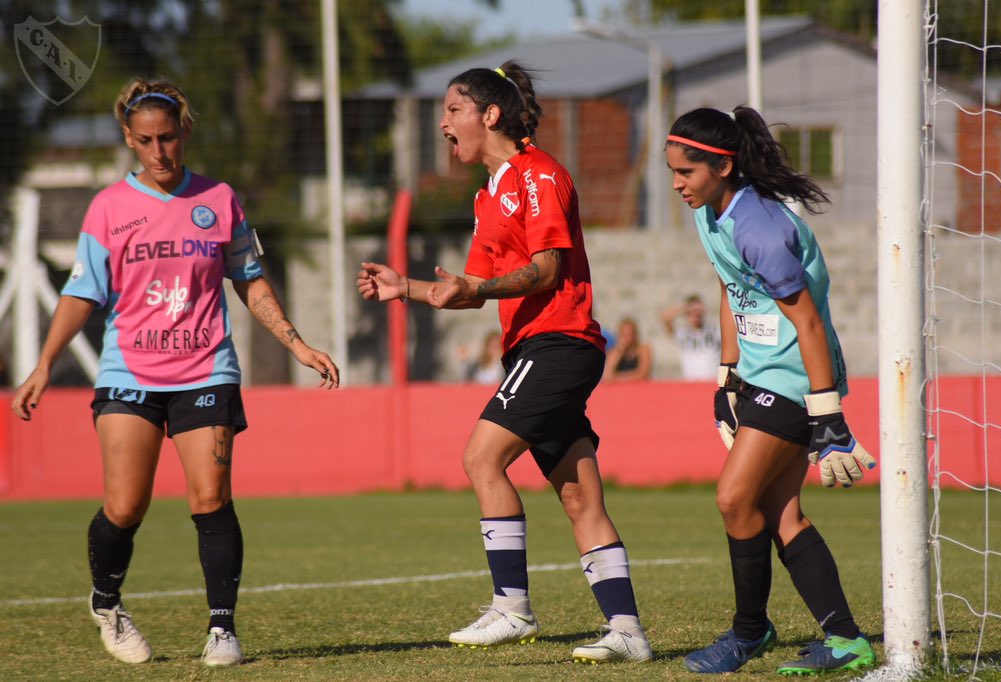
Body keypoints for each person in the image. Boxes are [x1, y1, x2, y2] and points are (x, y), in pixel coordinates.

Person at [11, 78, 339, 668]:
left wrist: (296, 343)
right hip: (129, 373)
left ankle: (222, 629)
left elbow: (250, 278)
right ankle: (107, 602)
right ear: (129, 140)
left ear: (184, 131)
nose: (160, 152)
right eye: (146, 141)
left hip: (206, 369)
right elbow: (82, 293)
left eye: (168, 138)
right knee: (124, 507)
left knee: (211, 497)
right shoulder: (109, 208)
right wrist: (43, 365)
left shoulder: (220, 198)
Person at [357, 61, 652, 664]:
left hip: (560, 344)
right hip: (540, 350)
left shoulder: (540, 175)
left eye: (452, 110)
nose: (443, 124)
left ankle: (512, 608)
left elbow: (544, 271)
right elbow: (470, 285)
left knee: (480, 456)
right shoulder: (486, 194)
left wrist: (477, 290)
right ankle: (628, 632)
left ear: (490, 115)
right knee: (578, 497)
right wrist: (404, 287)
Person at [663, 106, 877, 675]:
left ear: (723, 165)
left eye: (686, 173)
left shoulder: (760, 225)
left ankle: (748, 634)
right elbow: (731, 288)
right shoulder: (709, 212)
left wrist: (827, 412)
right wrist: (727, 376)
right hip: (760, 378)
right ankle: (846, 640)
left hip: (796, 379)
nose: (677, 185)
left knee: (734, 499)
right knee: (782, 515)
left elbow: (808, 323)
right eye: (672, 173)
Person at [660, 293, 720, 381]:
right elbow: (665, 318)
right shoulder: (682, 333)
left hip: (712, 381)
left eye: (698, 312)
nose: (695, 315)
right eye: (691, 312)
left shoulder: (715, 331)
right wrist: (685, 308)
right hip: (690, 383)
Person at [602, 317, 652, 382]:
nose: (628, 339)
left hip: (639, 388)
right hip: (620, 390)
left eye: (630, 335)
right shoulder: (614, 352)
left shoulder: (643, 350)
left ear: (635, 335)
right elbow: (607, 376)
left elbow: (642, 374)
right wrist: (619, 351)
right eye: (624, 335)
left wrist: (616, 379)